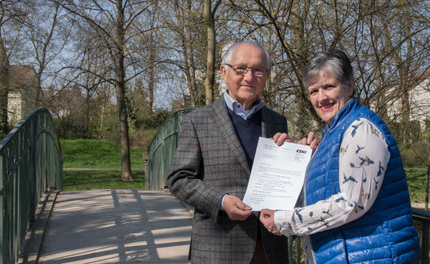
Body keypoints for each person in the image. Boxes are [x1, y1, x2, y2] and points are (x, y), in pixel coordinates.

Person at [260, 49, 421, 263]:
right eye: (314, 91)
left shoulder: (361, 128)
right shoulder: (332, 133)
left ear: (350, 85)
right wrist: (297, 161)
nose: (321, 98)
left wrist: (284, 221)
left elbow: (352, 203)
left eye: (329, 87)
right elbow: (323, 192)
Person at [167, 41, 290, 263]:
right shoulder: (198, 121)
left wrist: (294, 156)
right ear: (224, 72)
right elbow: (179, 179)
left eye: (257, 70)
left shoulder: (277, 121)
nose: (249, 77)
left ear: (267, 75)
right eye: (241, 68)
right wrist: (221, 201)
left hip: (270, 249)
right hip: (218, 249)